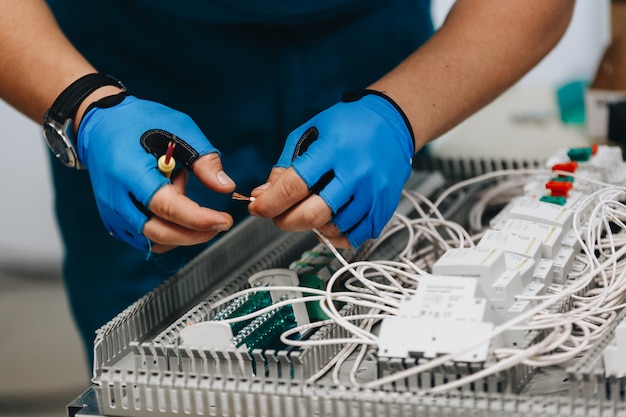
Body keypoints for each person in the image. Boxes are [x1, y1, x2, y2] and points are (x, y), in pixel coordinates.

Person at [0, 0, 575, 363]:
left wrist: (397, 114)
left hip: (375, 56)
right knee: (153, 350)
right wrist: (83, 105)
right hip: (130, 66)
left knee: (386, 329)